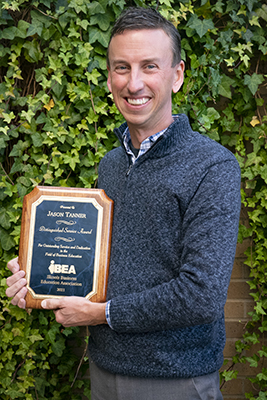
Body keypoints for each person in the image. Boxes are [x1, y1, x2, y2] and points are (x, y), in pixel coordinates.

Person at [6, 7, 241, 400]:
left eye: (149, 66)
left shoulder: (213, 166)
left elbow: (201, 294)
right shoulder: (111, 165)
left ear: (177, 75)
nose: (134, 83)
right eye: (121, 67)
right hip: (104, 371)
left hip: (175, 380)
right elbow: (99, 264)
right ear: (110, 76)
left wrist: (100, 314)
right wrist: (37, 273)